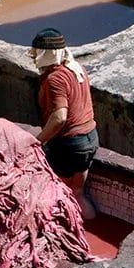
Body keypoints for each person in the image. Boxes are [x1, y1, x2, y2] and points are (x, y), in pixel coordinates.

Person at [32, 28, 98, 220]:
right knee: (78, 193)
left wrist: (38, 141)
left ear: (46, 54)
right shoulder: (77, 69)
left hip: (69, 144)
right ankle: (92, 228)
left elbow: (60, 117)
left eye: (36, 53)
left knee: (58, 194)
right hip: (90, 139)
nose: (34, 58)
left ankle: (67, 236)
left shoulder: (54, 79)